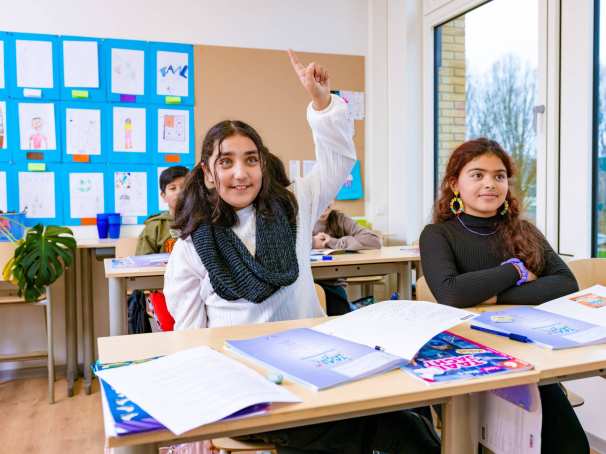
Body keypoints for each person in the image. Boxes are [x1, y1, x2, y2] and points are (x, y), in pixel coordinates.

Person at [164, 50, 439, 454]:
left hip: (317, 371)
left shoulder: (293, 205)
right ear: (207, 173)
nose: (240, 173)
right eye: (226, 162)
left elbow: (339, 162)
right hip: (248, 390)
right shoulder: (190, 247)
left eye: (250, 160)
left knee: (412, 411)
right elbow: (190, 339)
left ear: (263, 166)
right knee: (386, 425)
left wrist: (322, 103)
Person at [419, 137, 589, 453]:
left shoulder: (524, 231)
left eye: (499, 176)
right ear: (455, 183)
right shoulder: (438, 234)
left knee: (571, 446)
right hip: (466, 359)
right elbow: (452, 293)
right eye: (478, 174)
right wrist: (516, 271)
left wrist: (492, 296)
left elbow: (566, 284)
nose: (490, 184)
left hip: (529, 354)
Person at [312, 203, 381, 314]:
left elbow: (373, 240)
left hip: (334, 284)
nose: (323, 202)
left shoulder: (340, 220)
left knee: (337, 306)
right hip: (307, 284)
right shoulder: (299, 218)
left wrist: (333, 242)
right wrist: (312, 242)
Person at [136, 165, 189, 255]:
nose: (179, 192)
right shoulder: (155, 226)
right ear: (164, 196)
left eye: (184, 187)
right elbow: (142, 263)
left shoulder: (201, 223)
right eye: (173, 188)